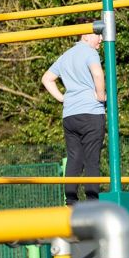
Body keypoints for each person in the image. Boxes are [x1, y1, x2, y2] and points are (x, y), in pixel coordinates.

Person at [42, 33, 107, 206]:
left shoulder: (65, 55)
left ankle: (70, 201)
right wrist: (101, 96)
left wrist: (63, 98)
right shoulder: (90, 52)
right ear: (85, 36)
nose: (101, 38)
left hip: (70, 115)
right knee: (92, 159)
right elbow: (98, 74)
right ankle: (92, 201)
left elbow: (47, 79)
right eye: (98, 35)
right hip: (90, 112)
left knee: (74, 158)